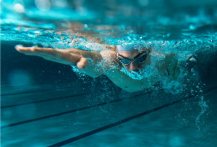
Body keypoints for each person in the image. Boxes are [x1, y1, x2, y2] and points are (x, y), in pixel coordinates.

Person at [15, 44, 180, 92]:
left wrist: (173, 82)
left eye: (141, 58)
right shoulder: (110, 59)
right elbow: (97, 60)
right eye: (123, 60)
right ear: (117, 55)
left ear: (150, 50)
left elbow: (174, 73)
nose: (133, 68)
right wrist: (75, 59)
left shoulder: (167, 57)